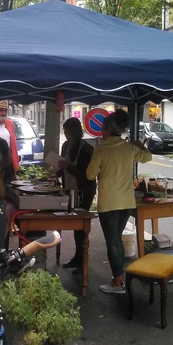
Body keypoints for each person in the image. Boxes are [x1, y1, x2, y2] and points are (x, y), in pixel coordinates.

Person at [86, 110, 152, 294]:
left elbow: (90, 174)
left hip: (108, 203)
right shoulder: (129, 148)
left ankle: (118, 283)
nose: (101, 132)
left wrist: (102, 170)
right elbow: (148, 156)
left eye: (102, 129)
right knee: (116, 240)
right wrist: (139, 143)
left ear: (107, 130)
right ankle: (119, 278)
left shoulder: (102, 149)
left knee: (113, 242)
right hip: (126, 203)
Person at [58, 117, 96, 273]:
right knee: (75, 225)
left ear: (74, 132)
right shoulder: (66, 145)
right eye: (64, 131)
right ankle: (77, 257)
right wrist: (57, 173)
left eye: (67, 131)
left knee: (81, 226)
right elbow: (62, 167)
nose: (65, 134)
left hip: (84, 191)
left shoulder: (87, 149)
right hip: (70, 189)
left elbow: (86, 174)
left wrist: (67, 167)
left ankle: (82, 261)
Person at [0, 100, 19, 173]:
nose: (3, 113)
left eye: (5, 111)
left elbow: (13, 146)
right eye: (0, 110)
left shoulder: (10, 124)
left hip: (8, 164)